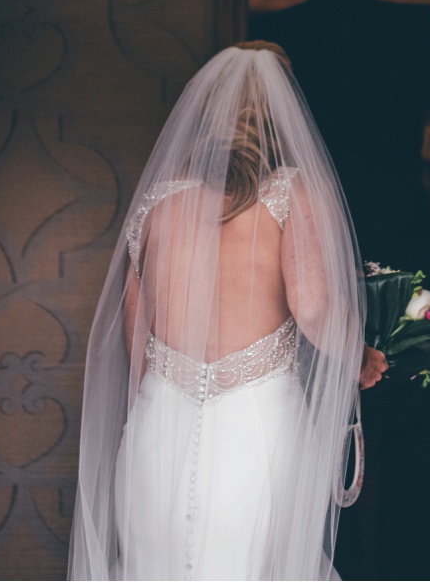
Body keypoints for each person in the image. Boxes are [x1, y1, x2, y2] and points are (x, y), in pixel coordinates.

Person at [68, 43, 387, 580]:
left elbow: (135, 339)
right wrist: (358, 355)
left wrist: (169, 400)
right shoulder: (290, 193)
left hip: (157, 432)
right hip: (258, 433)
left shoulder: (158, 203)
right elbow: (311, 307)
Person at [249, 0, 430, 580]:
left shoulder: (273, 34)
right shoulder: (413, 25)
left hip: (302, 269)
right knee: (416, 437)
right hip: (411, 264)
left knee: (319, 436)